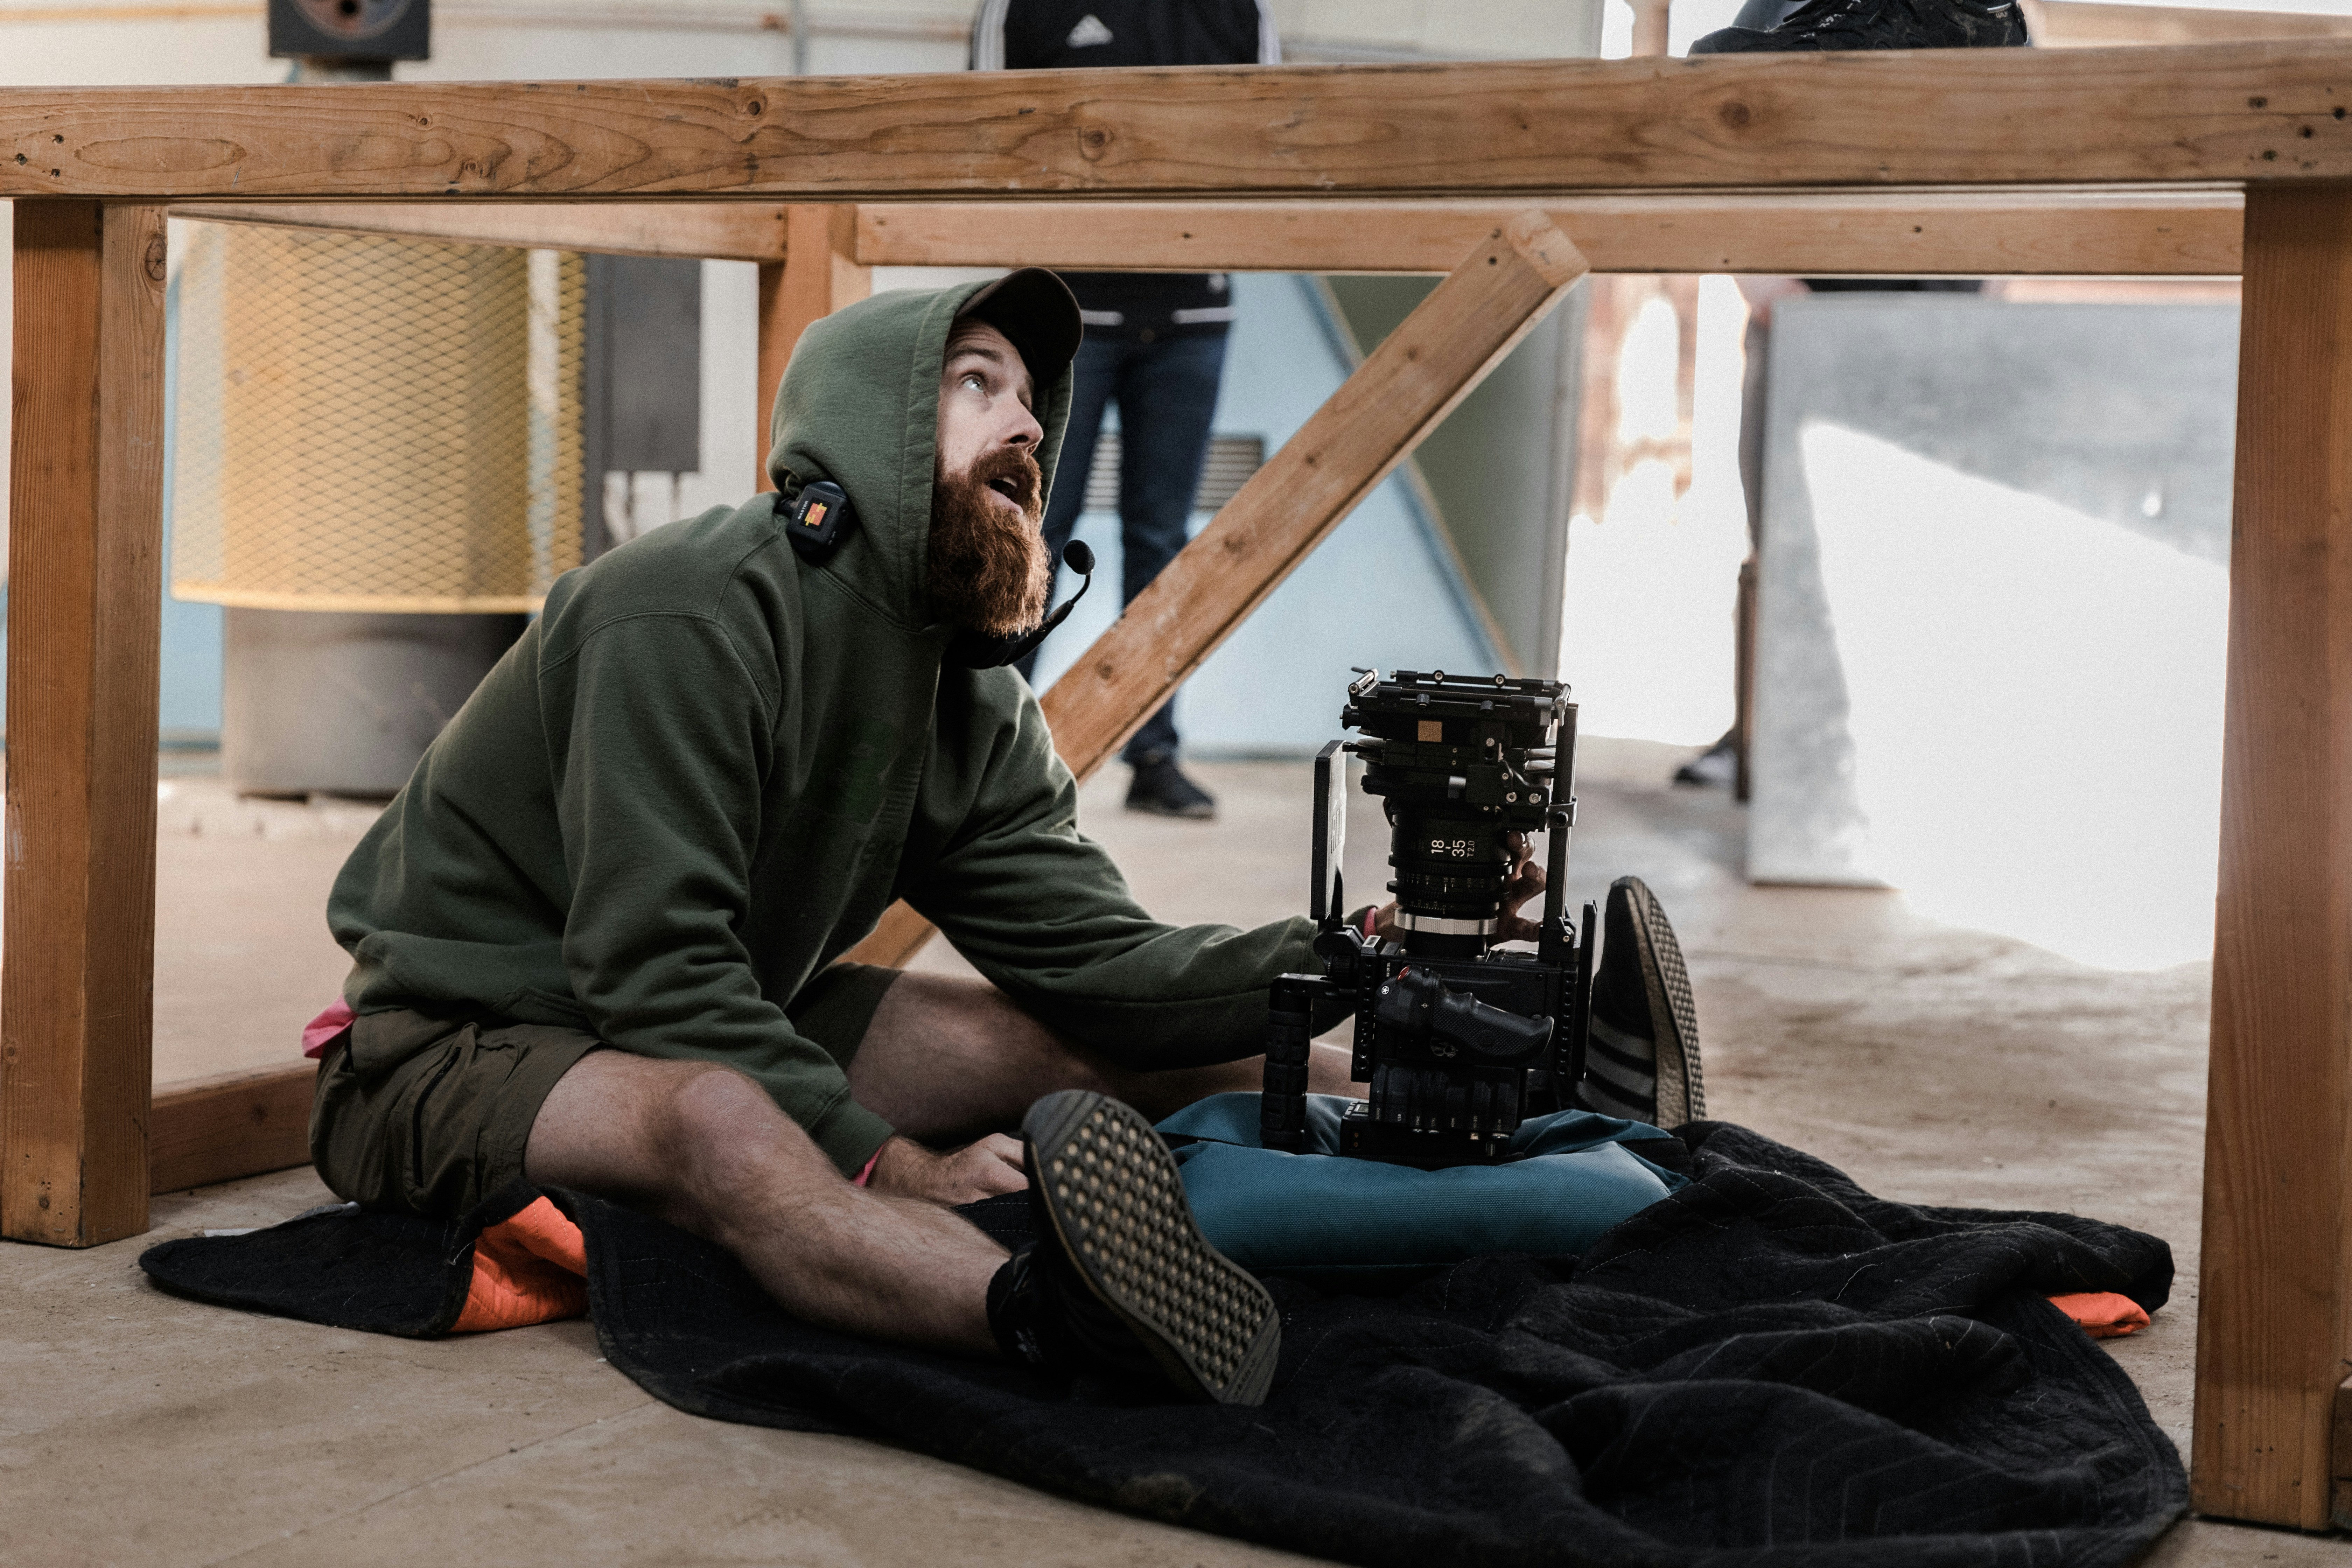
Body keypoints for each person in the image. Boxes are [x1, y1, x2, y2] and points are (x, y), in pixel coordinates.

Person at [306, 271, 1704, 1408]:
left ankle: (1510, 1081)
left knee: (1035, 1041)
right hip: (459, 1042)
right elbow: (654, 972)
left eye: (1034, 401)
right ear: (867, 427)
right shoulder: (680, 613)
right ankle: (1051, 1315)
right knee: (729, 1121)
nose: (1028, 427)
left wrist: (1352, 963)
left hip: (718, 1004)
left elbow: (1105, 966)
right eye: (977, 382)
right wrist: (879, 1154)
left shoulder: (963, 695)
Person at [975, 0, 1281, 821]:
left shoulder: (1242, 12)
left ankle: (1153, 752)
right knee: (1028, 525)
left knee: (1161, 538)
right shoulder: (1025, 8)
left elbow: (1274, 131)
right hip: (1066, 311)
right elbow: (980, 122)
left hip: (1192, 315)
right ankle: (987, 749)